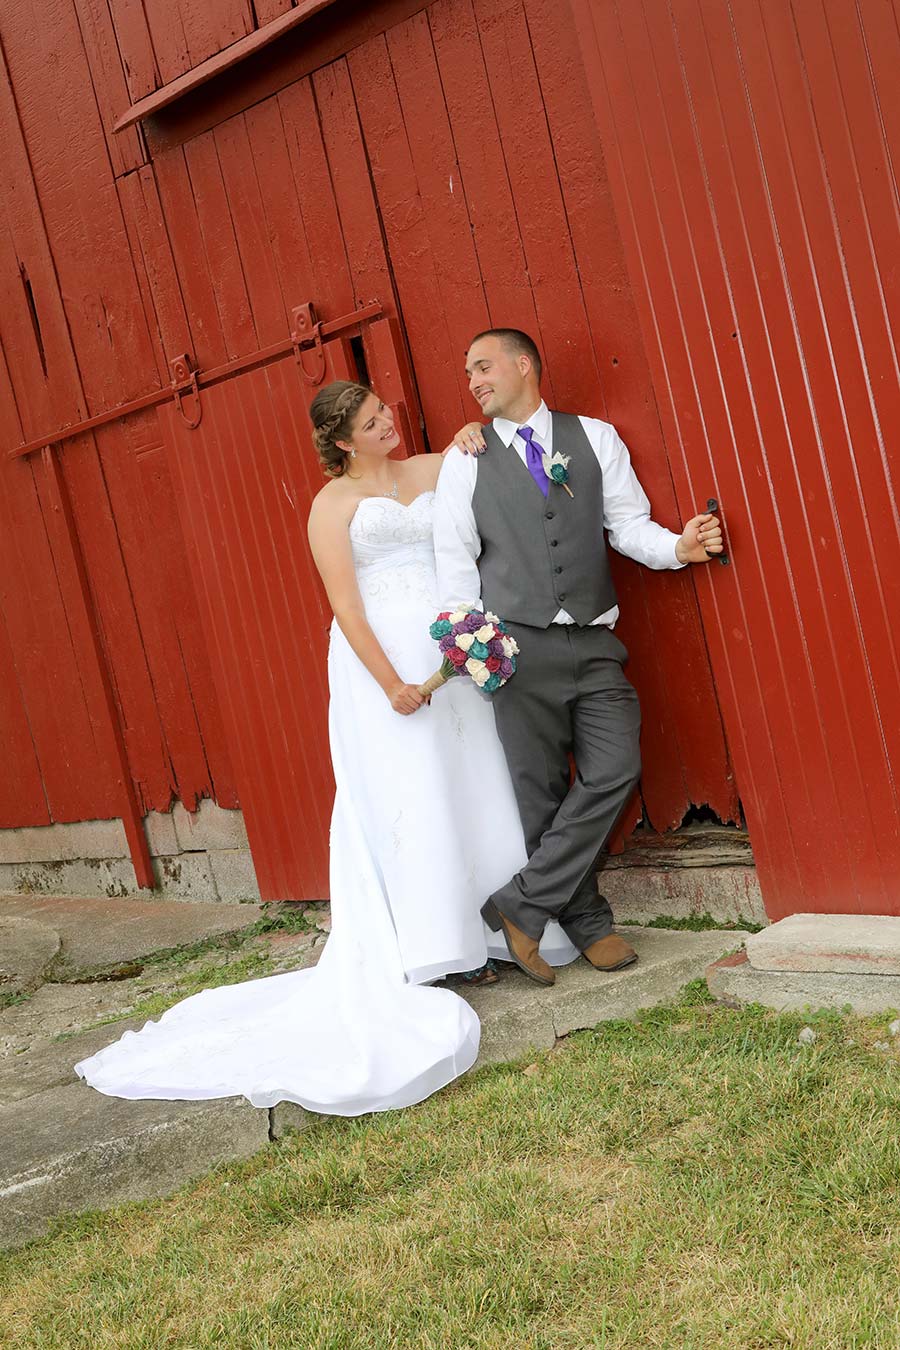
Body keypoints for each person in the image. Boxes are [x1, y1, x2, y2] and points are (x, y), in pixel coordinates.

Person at [75, 381, 577, 1118]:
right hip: (382, 662)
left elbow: (483, 459)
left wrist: (472, 431)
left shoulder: (430, 468)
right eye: (374, 422)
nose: (389, 424)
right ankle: (435, 949)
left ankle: (498, 923)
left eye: (388, 413)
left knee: (471, 782)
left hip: (450, 649)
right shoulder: (331, 507)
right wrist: (391, 685)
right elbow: (345, 606)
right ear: (343, 441)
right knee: (408, 794)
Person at [435, 329, 724, 987]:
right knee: (539, 795)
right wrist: (474, 649)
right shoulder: (466, 459)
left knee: (617, 766)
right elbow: (453, 563)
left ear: (524, 365)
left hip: (595, 641)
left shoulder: (595, 438)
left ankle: (519, 904)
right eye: (468, 373)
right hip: (514, 646)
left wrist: (677, 548)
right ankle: (590, 924)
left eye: (483, 367)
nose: (474, 382)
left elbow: (628, 526)